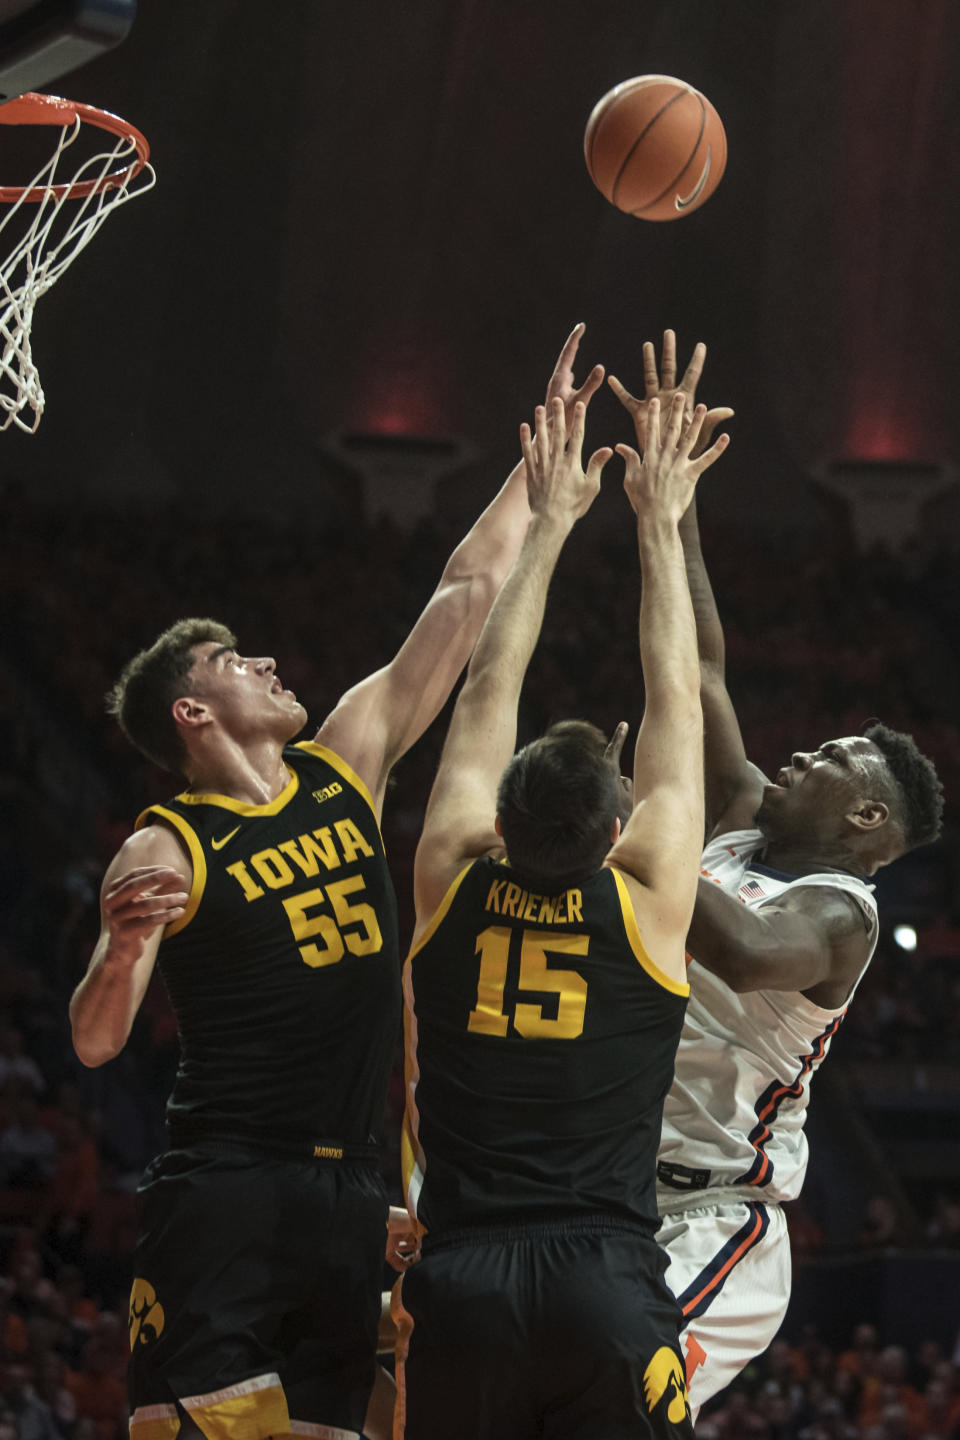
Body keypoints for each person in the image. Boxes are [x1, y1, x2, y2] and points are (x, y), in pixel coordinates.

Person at [68, 325, 607, 1440]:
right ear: (194, 712)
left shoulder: (341, 768)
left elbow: (463, 595)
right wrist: (122, 952)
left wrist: (535, 465)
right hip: (228, 1185)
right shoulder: (168, 842)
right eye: (235, 662)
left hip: (354, 1192)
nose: (267, 664)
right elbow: (93, 1042)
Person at [609, 332, 945, 1422]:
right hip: (609, 1183)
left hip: (715, 1218)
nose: (797, 755)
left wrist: (626, 825)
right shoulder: (751, 825)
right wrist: (675, 500)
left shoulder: (839, 919)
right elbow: (701, 667)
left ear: (864, 819)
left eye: (830, 759)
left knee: (610, 1400)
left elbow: (744, 951)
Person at [393, 390, 731, 1440]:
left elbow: (489, 688)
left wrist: (547, 524)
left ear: (500, 819)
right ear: (619, 828)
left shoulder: (450, 870)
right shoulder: (649, 900)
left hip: (462, 1289)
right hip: (606, 1280)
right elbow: (680, 697)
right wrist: (661, 516)